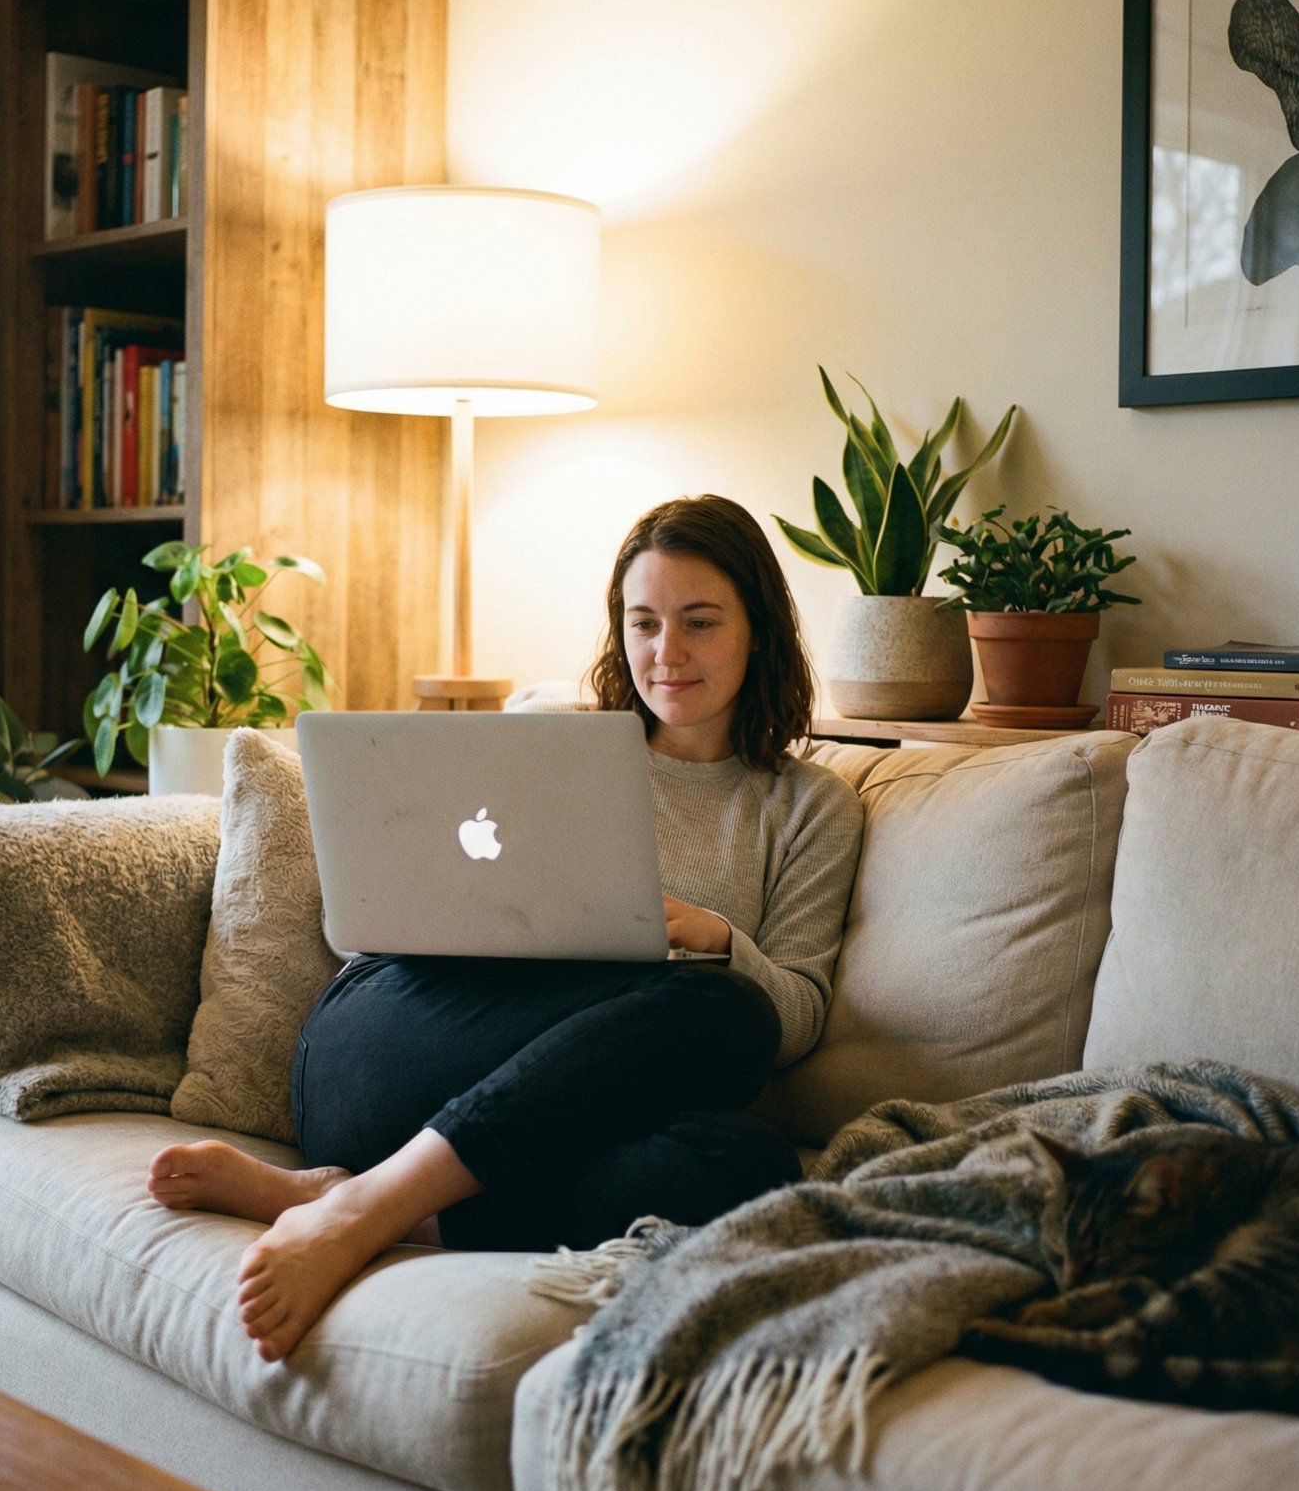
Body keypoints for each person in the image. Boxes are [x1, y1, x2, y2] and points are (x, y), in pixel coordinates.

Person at [148, 495, 865, 1362]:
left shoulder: (808, 807)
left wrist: (715, 937)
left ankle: (356, 1201)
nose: (665, 654)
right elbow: (376, 924)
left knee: (748, 1149)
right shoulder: (550, 742)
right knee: (716, 1011)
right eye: (642, 623)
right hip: (386, 1050)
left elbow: (797, 1017)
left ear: (760, 632)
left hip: (556, 1116)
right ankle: (367, 1209)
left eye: (700, 623)